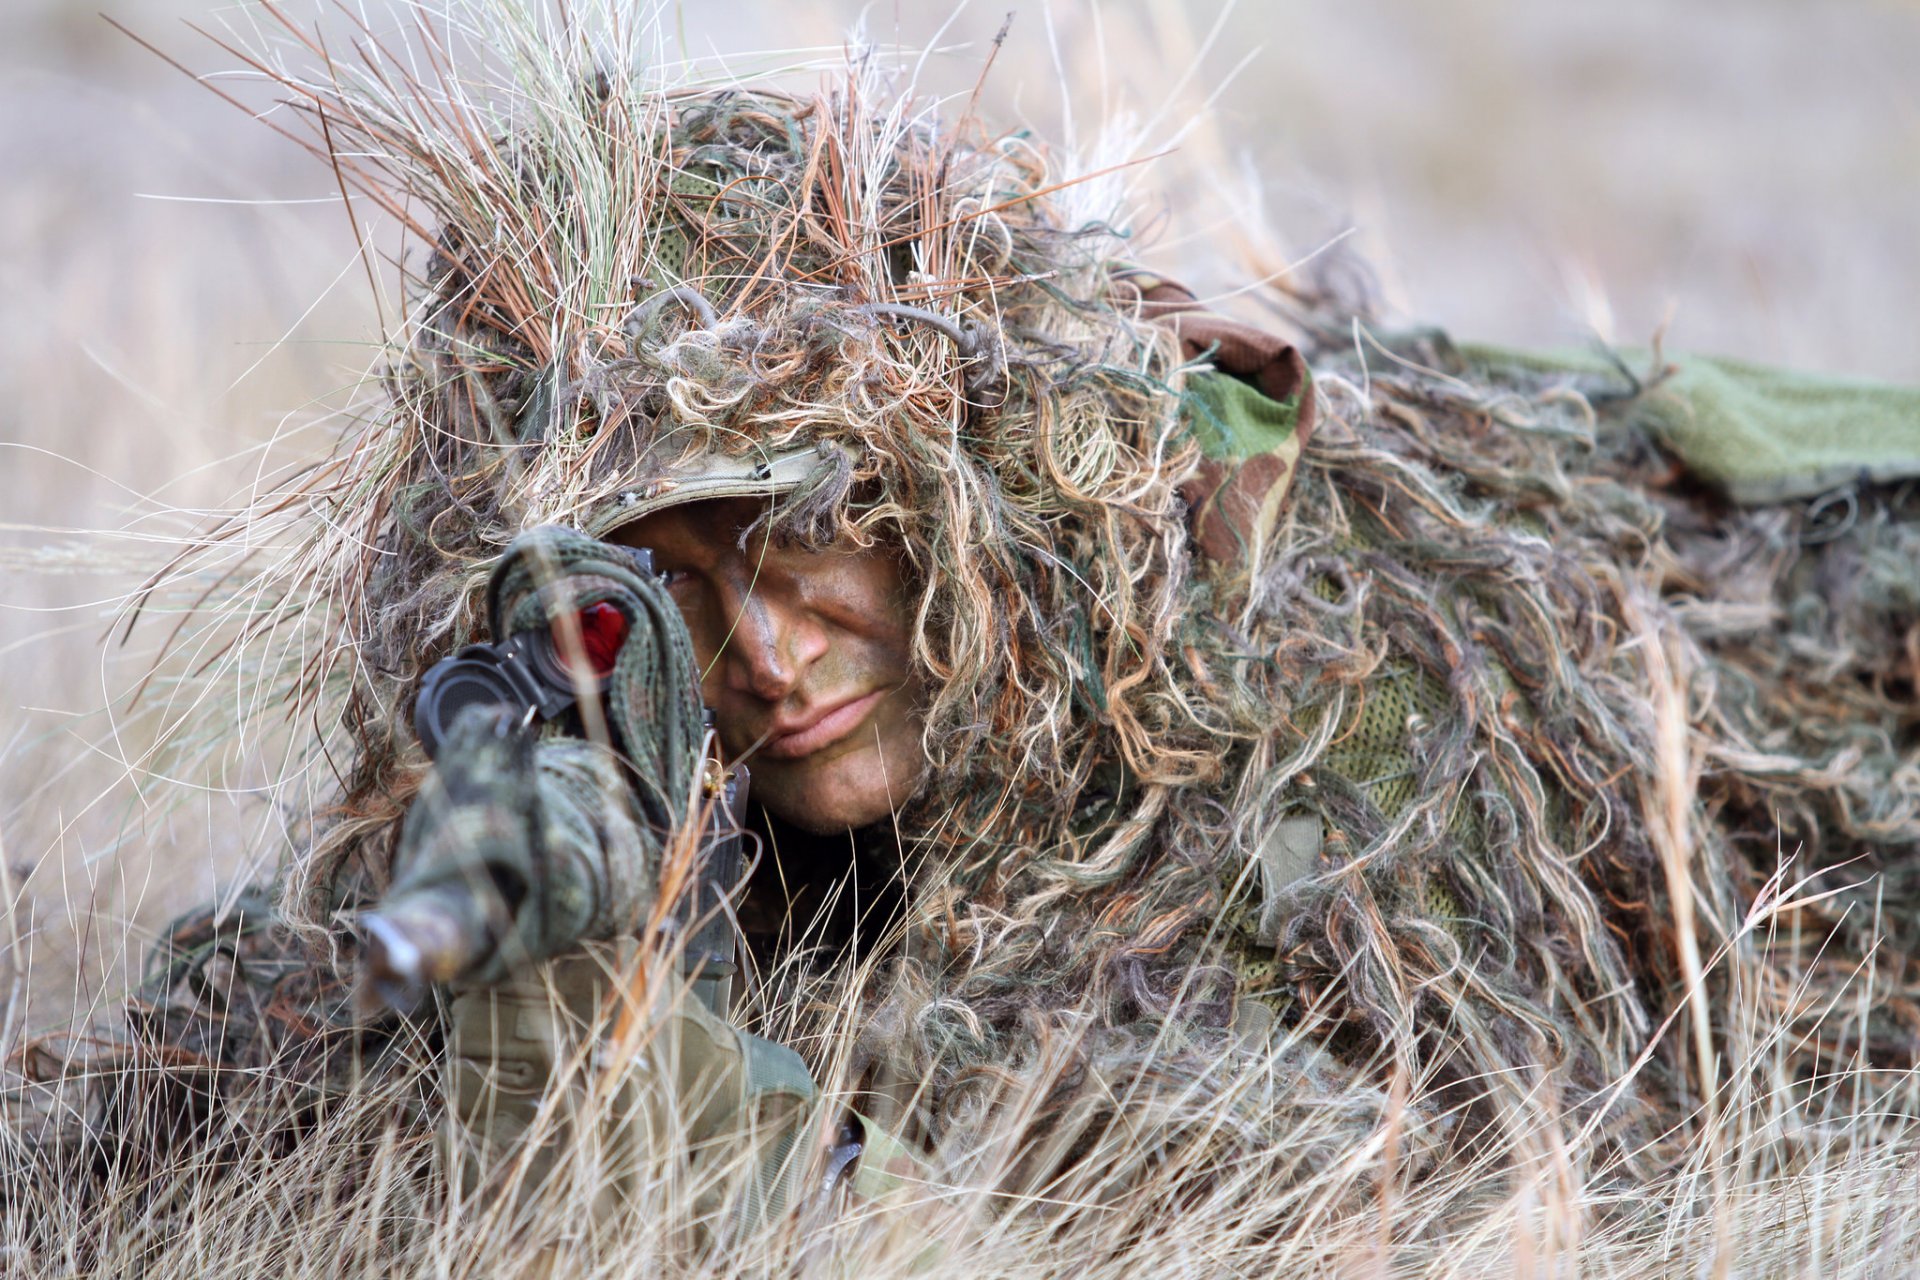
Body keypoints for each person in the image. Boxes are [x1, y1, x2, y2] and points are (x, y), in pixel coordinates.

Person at [95, 7, 1920, 1255]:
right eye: (674, 587)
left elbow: (1252, 1168)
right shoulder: (612, 749)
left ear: (955, 499)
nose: (766, 654)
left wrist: (681, 1075)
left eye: (802, 533)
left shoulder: (1251, 680)